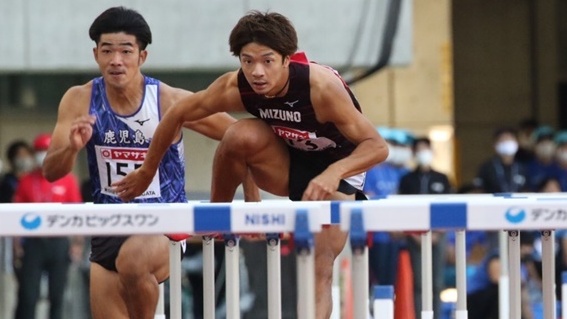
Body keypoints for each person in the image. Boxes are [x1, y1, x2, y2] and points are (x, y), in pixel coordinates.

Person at [115, 10, 388, 317]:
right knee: (239, 133)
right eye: (247, 61)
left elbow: (377, 147)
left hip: (338, 171)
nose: (257, 72)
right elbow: (177, 113)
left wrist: (333, 172)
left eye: (267, 61)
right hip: (287, 163)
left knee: (318, 268)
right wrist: (147, 170)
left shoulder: (321, 89)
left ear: (288, 59)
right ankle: (217, 218)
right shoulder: (237, 86)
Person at [42, 7, 246, 319]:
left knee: (134, 262)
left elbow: (239, 137)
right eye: (107, 51)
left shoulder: (167, 100)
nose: (116, 60)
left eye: (126, 51)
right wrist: (71, 149)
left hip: (161, 220)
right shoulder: (79, 99)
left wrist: (249, 191)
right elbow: (52, 172)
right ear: (96, 54)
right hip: (108, 223)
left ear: (142, 56)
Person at [13, 133, 83, 319]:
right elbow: (15, 216)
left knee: (57, 295)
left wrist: (77, 243)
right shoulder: (26, 181)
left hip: (59, 242)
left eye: (46, 151)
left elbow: (78, 213)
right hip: (33, 243)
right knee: (28, 294)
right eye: (39, 151)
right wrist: (17, 246)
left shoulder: (68, 180)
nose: (43, 155)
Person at [398, 136, 452, 319]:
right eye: (419, 150)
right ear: (414, 153)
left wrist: (438, 233)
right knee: (420, 282)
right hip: (415, 236)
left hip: (439, 235)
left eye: (425, 149)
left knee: (437, 282)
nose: (423, 153)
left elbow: (448, 208)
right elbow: (402, 209)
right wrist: (414, 234)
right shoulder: (407, 180)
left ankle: (436, 316)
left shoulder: (442, 178)